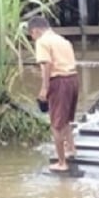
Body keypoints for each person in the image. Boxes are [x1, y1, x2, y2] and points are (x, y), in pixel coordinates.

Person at [28, 16, 79, 172]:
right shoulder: (62, 40)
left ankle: (61, 162)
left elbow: (46, 64)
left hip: (59, 81)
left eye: (31, 34)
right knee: (65, 120)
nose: (32, 38)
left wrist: (44, 88)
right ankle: (71, 149)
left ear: (35, 30)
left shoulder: (42, 42)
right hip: (73, 78)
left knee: (56, 124)